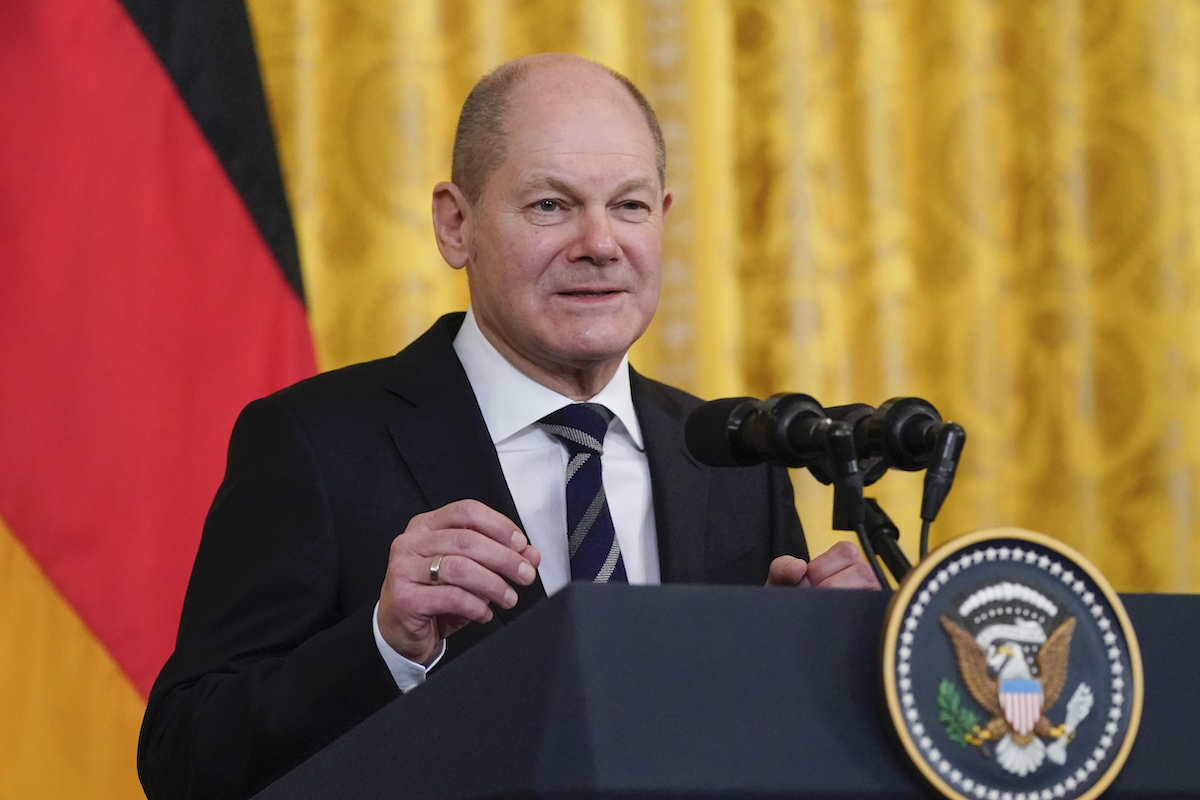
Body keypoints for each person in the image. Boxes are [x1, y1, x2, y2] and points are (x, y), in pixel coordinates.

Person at [137, 53, 878, 800]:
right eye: (551, 206)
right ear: (456, 226)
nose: (600, 243)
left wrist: (830, 669)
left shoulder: (736, 458)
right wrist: (384, 643)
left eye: (629, 206)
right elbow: (184, 757)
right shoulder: (316, 443)